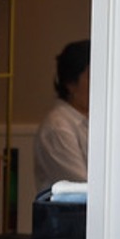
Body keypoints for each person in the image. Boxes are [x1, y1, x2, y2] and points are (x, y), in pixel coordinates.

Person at [34, 39, 90, 193]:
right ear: (70, 83)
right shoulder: (58, 127)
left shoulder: (95, 121)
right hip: (71, 215)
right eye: (92, 77)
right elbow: (82, 188)